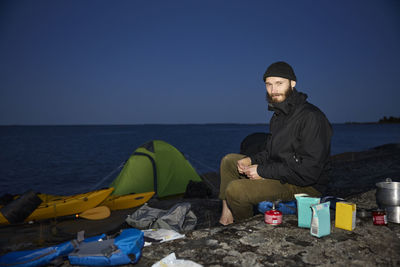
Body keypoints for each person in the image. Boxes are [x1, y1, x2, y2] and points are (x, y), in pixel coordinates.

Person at [219, 61, 332, 225]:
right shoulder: (279, 115)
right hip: (283, 172)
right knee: (229, 161)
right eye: (269, 85)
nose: (273, 90)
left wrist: (262, 171)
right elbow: (271, 152)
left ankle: (246, 227)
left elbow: (309, 171)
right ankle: (226, 214)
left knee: (236, 190)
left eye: (279, 84)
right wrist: (251, 160)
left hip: (304, 186)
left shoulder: (311, 117)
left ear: (293, 84)